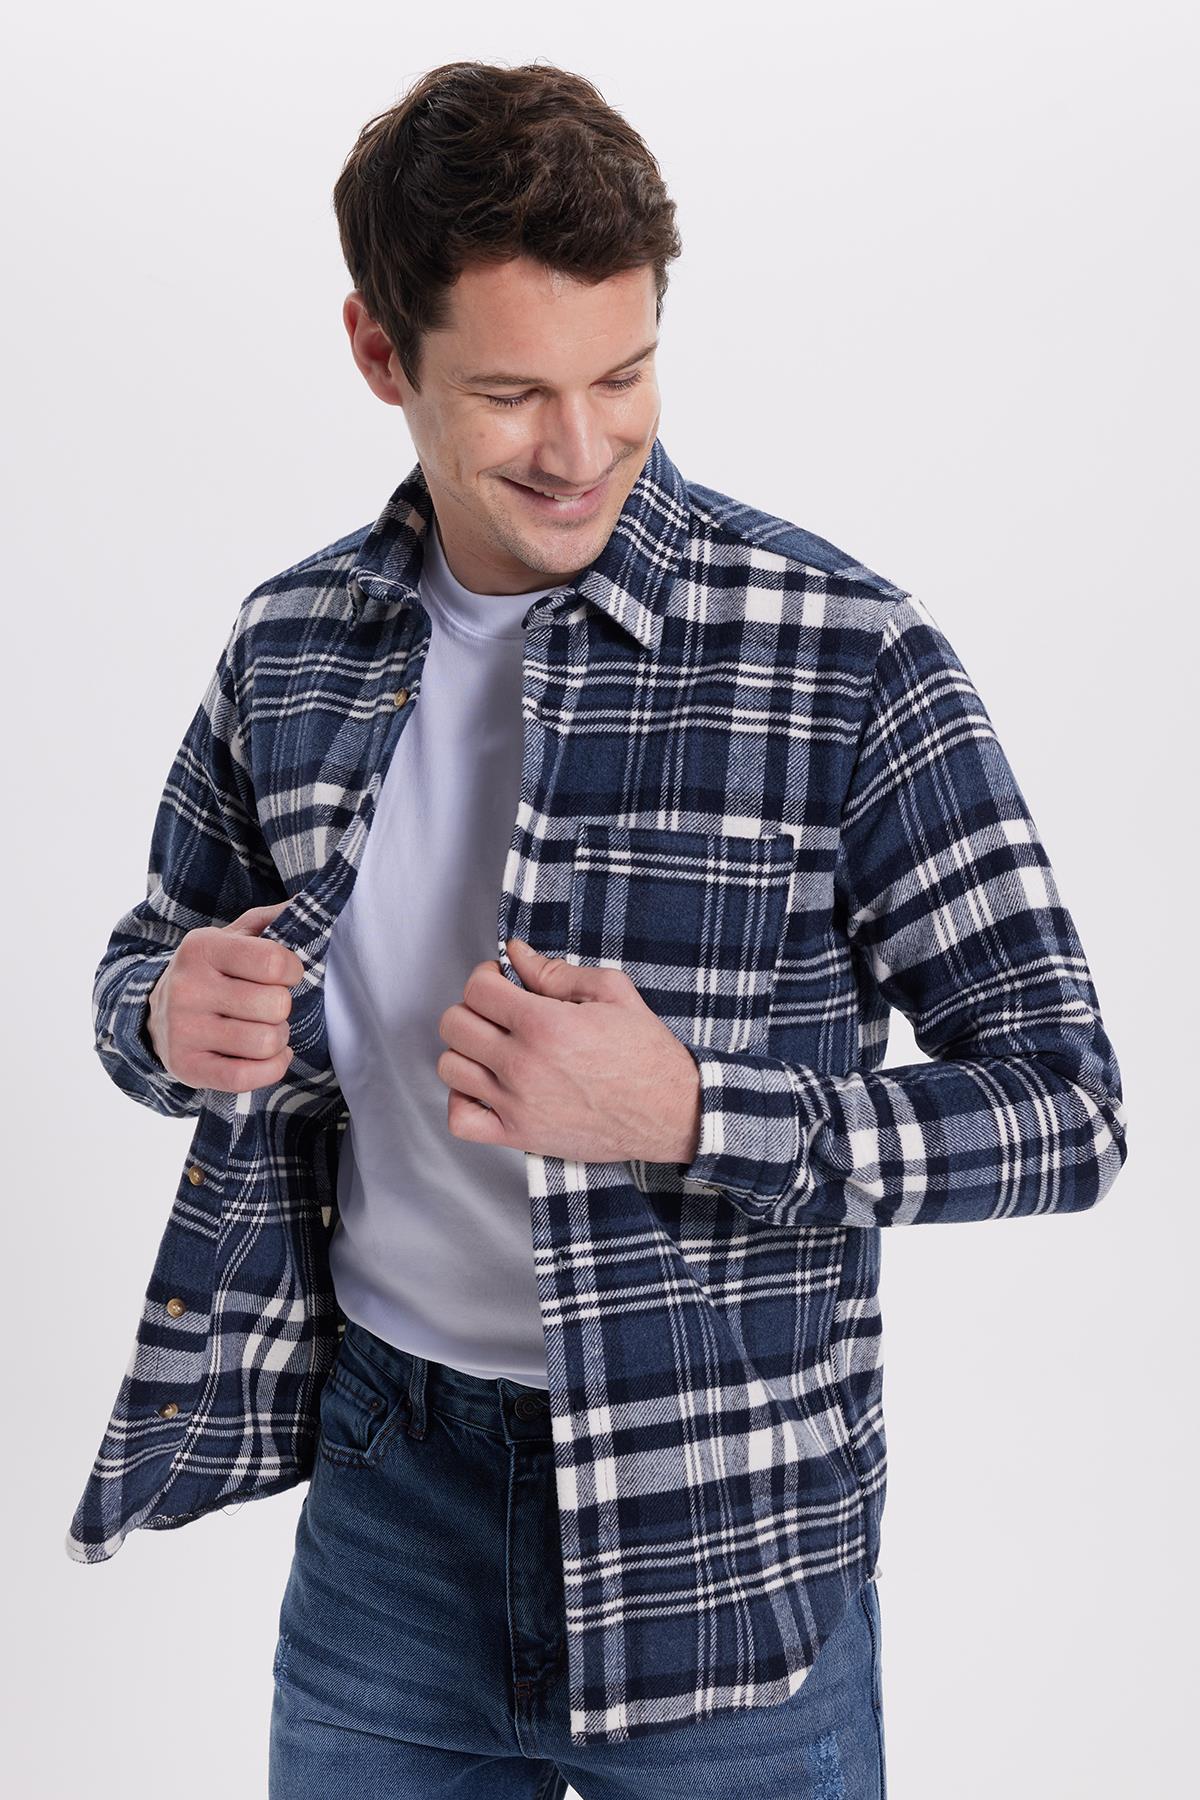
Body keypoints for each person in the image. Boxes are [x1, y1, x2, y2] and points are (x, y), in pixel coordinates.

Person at [65, 59, 1129, 1800]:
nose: (579, 450)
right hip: (392, 1506)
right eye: (511, 393)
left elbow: (1069, 1108)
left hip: (726, 1526)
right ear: (379, 353)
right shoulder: (291, 646)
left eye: (623, 374)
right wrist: (163, 1013)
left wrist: (693, 1111)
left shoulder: (845, 655)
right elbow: (146, 962)